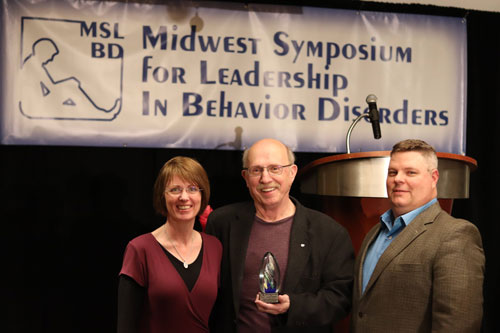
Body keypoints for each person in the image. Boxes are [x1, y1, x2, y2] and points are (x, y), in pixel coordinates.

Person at [205, 138, 354, 332]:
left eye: (275, 168)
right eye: (256, 170)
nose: (265, 179)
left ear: (292, 173)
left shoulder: (328, 233)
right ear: (245, 177)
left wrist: (294, 306)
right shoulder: (222, 223)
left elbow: (341, 298)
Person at [351, 139, 485, 332]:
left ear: (434, 178)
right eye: (392, 172)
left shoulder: (455, 235)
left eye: (410, 172)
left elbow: (457, 325)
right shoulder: (375, 233)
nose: (398, 179)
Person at [117, 156, 222, 333]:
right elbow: (126, 325)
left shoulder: (215, 247)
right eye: (175, 189)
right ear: (162, 196)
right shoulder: (140, 249)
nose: (184, 197)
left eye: (192, 189)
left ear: (202, 195)